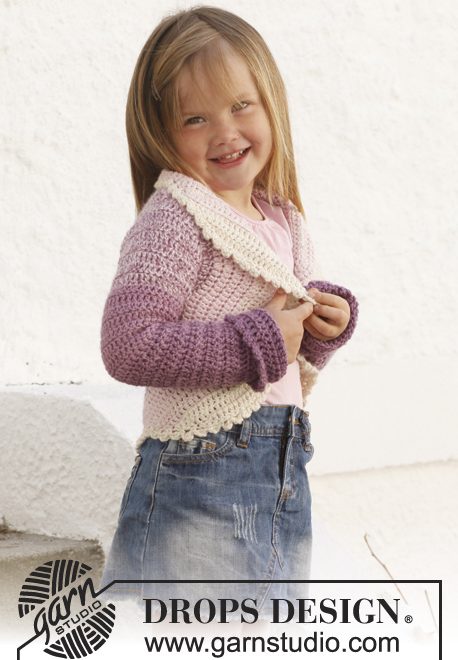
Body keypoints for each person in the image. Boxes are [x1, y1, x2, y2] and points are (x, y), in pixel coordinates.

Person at [99, 6, 358, 620]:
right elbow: (128, 343)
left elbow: (279, 353)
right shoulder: (175, 219)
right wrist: (260, 337)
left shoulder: (281, 218)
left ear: (272, 105)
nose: (225, 131)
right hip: (201, 477)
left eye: (242, 106)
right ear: (160, 131)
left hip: (280, 470)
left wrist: (320, 328)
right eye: (195, 118)